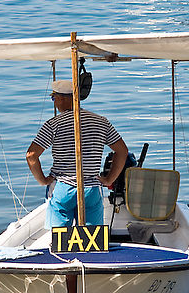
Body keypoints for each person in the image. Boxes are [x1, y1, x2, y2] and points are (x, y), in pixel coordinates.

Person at [26, 80, 129, 228]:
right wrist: (108, 180)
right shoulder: (101, 121)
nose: (54, 102)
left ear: (61, 98)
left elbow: (31, 155)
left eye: (54, 98)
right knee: (92, 239)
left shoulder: (53, 124)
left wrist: (42, 180)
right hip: (91, 189)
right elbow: (122, 151)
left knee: (59, 241)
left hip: (63, 187)